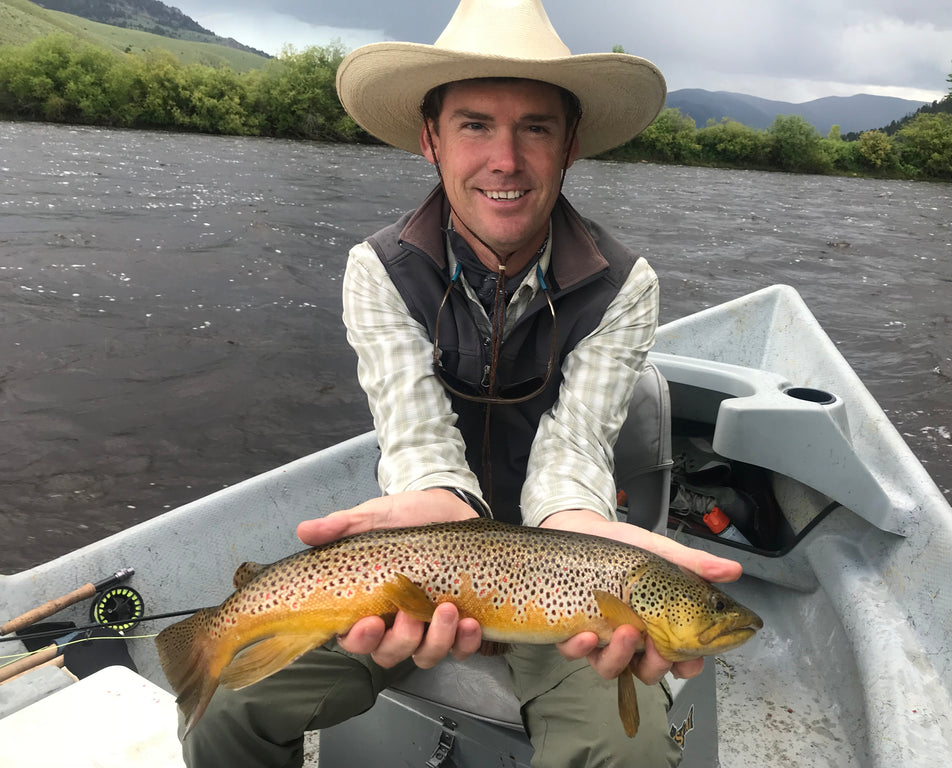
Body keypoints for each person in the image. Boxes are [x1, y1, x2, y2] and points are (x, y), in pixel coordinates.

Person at [180, 1, 742, 765]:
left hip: (565, 568)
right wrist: (444, 518)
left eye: (535, 128)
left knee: (633, 757)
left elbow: (573, 449)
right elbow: (415, 437)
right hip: (411, 565)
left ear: (569, 144)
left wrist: (570, 528)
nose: (505, 159)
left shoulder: (625, 285)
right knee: (226, 717)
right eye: (476, 124)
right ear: (430, 138)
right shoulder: (378, 270)